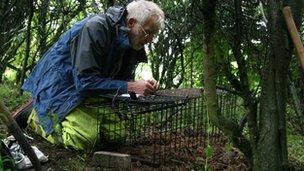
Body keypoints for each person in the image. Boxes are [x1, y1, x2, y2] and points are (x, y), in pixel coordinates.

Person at [20, 0, 165, 150]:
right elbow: (84, 82)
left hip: (89, 91)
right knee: (82, 139)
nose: (150, 40)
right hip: (62, 88)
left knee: (117, 135)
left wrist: (141, 85)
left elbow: (120, 81)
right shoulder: (97, 27)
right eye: (148, 32)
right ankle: (36, 117)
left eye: (154, 34)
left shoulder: (131, 40)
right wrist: (130, 86)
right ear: (131, 23)